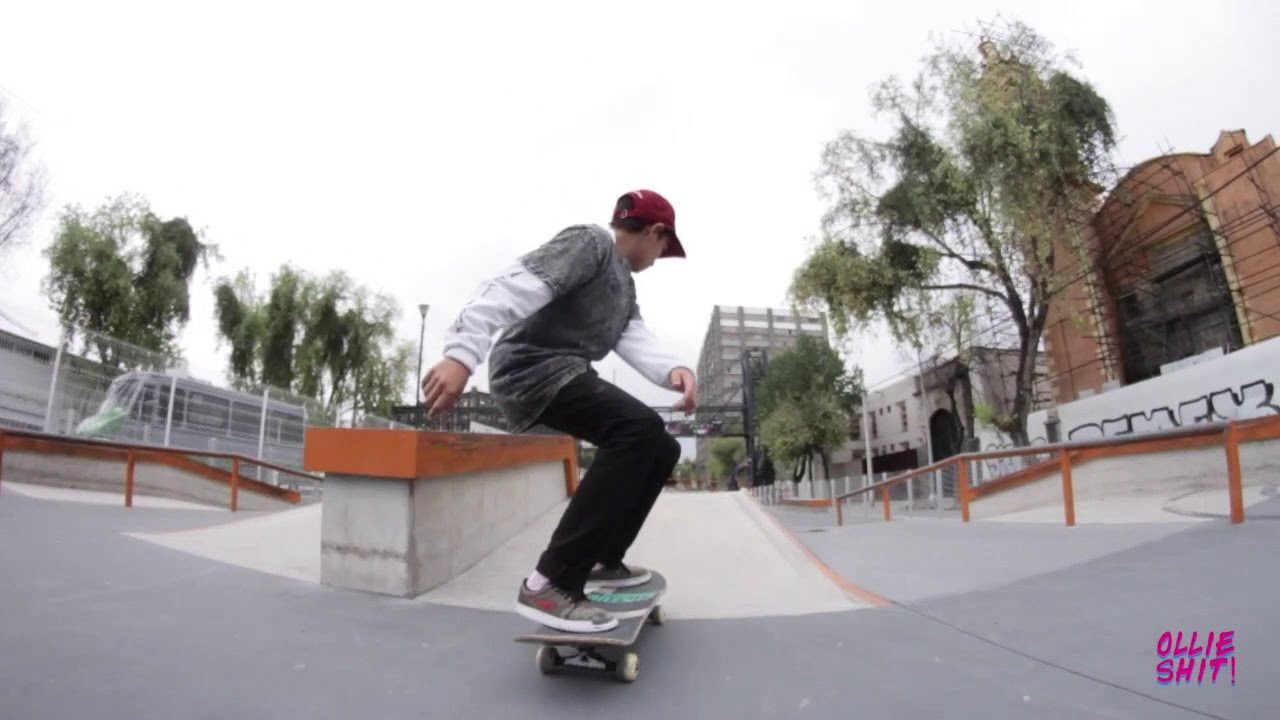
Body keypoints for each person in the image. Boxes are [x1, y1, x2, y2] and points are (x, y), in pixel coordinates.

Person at [420, 189, 696, 634]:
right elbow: (511, 286)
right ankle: (549, 582)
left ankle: (603, 559)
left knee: (661, 447)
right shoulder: (589, 244)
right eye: (663, 249)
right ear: (654, 231)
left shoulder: (624, 288)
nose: (659, 258)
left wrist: (674, 371)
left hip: (563, 373)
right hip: (529, 369)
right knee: (637, 429)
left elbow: (634, 337)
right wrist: (461, 354)